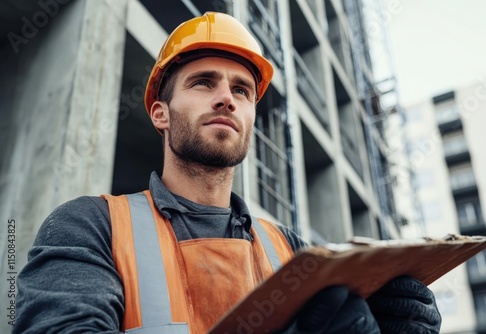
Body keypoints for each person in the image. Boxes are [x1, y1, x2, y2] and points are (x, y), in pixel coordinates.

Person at [14, 12, 441, 334]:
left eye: (241, 90)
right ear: (160, 114)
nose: (227, 99)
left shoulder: (292, 250)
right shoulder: (90, 226)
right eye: (203, 83)